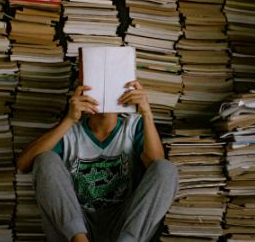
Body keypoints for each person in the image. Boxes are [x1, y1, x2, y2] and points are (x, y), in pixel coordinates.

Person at [17, 80, 179, 242]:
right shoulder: (69, 133)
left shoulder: (133, 126)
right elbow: (24, 165)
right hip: (77, 227)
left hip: (124, 225)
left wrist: (146, 113)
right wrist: (69, 119)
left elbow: (157, 170)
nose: (105, 95)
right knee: (45, 159)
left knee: (166, 168)